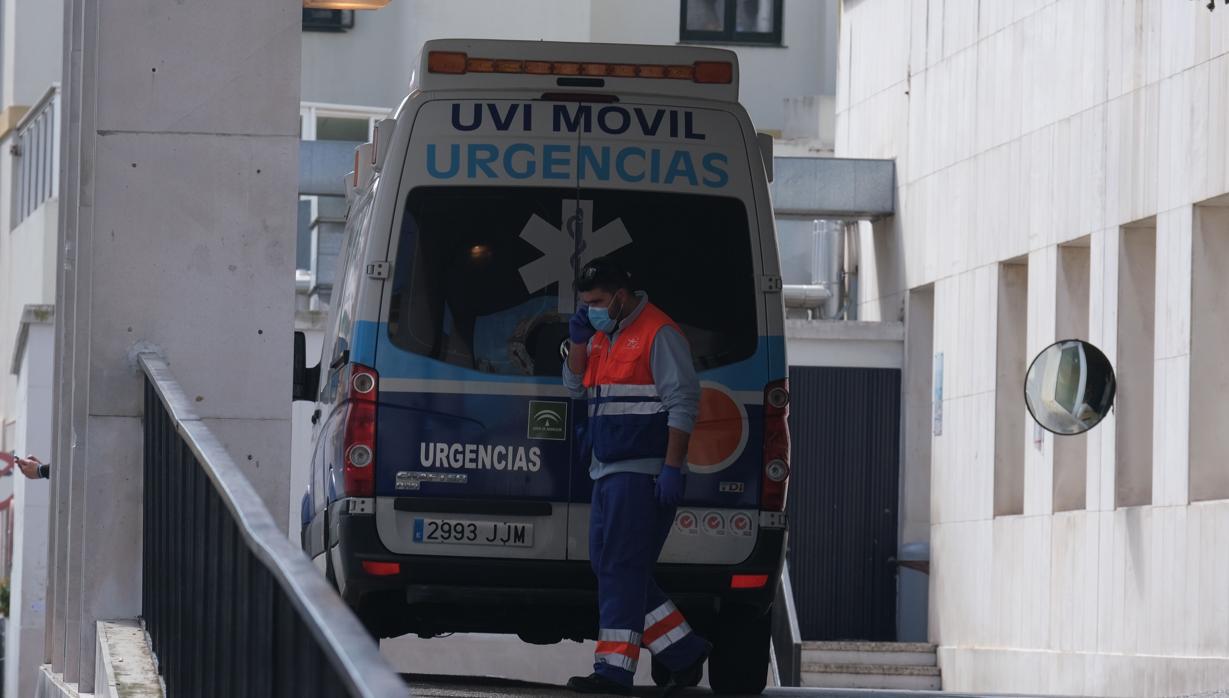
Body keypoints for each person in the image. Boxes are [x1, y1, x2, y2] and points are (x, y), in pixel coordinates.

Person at [562, 257, 709, 696]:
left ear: (621, 297)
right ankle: (683, 649)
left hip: (640, 472)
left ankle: (613, 672)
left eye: (598, 301)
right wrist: (578, 344)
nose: (591, 309)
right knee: (610, 566)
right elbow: (573, 386)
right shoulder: (603, 337)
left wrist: (671, 467)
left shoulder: (658, 333)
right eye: (586, 303)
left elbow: (683, 402)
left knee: (622, 569)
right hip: (606, 469)